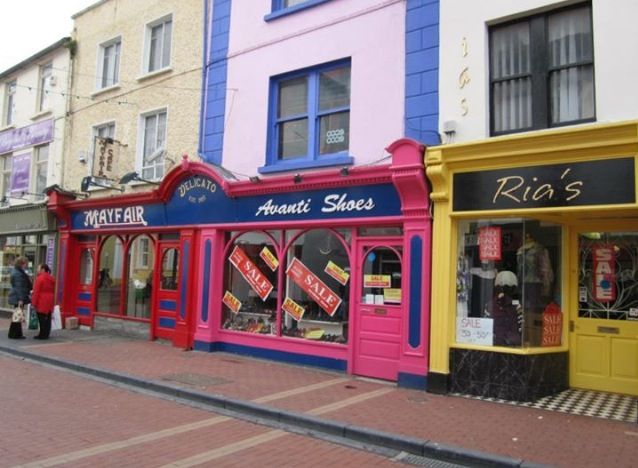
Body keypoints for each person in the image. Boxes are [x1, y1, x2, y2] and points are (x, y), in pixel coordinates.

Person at [7, 257, 32, 339]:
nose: (26, 265)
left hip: (16, 296)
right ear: (21, 264)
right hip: (18, 297)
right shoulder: (18, 273)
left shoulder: (17, 271)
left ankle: (15, 334)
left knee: (17, 316)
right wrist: (21, 299)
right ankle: (15, 334)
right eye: (25, 264)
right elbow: (19, 287)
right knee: (17, 316)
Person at [31, 263, 56, 340]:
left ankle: (42, 334)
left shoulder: (40, 278)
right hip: (50, 299)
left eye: (38, 268)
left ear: (43, 269)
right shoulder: (51, 278)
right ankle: (46, 333)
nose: (37, 270)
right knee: (48, 317)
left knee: (41, 318)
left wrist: (33, 303)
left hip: (42, 299)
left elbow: (36, 292)